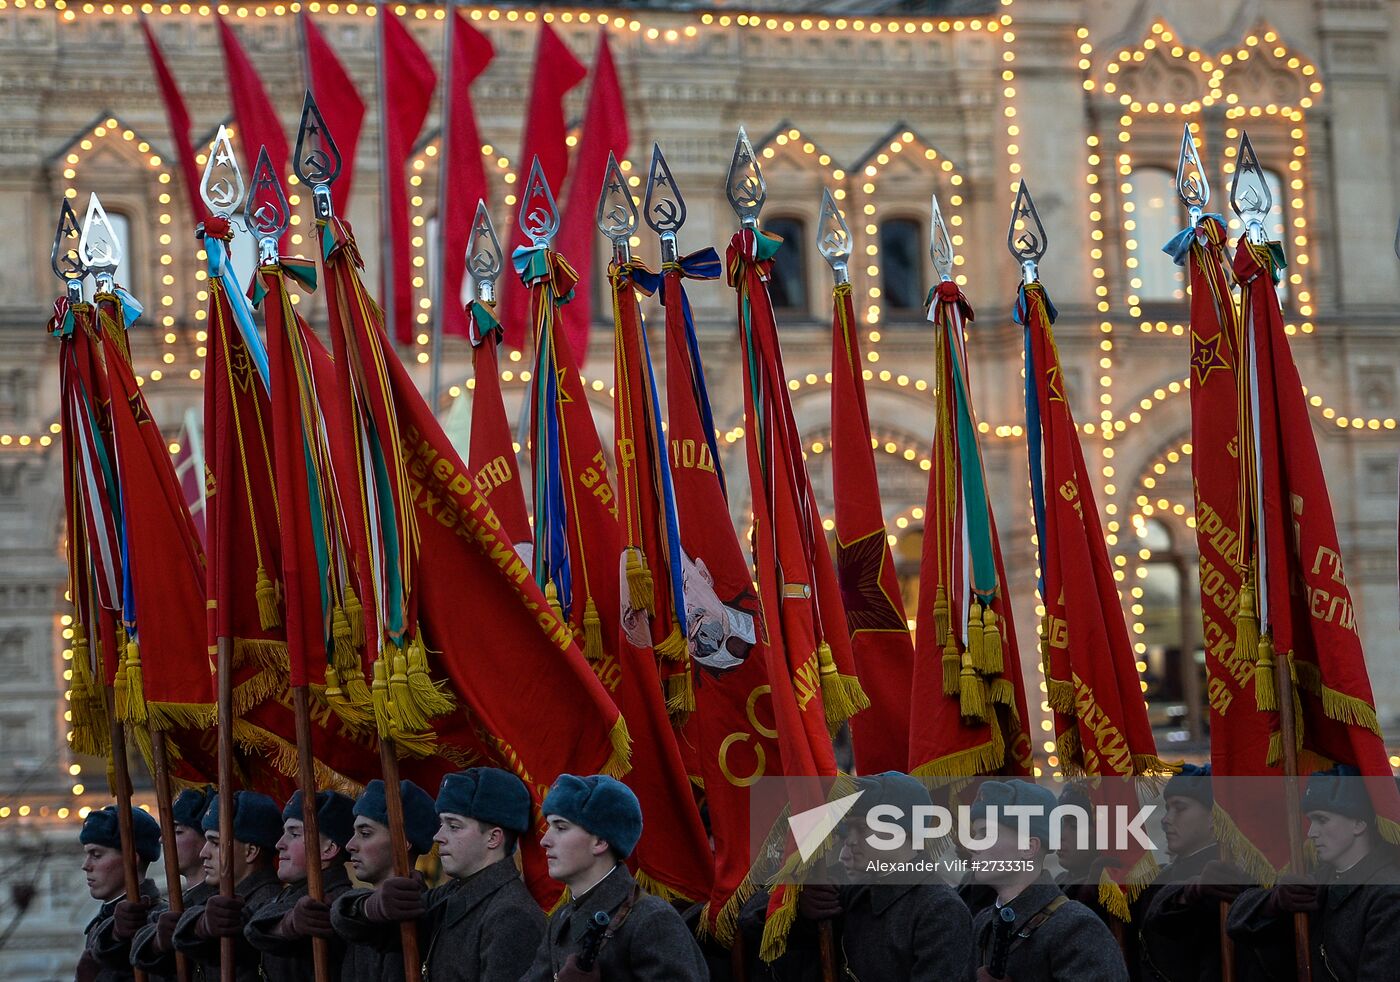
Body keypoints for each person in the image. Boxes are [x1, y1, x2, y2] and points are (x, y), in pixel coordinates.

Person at [333, 767, 543, 982]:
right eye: (442, 824)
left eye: (453, 826)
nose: (438, 836)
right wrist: (372, 906)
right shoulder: (447, 898)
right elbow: (355, 928)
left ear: (493, 838)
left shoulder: (511, 916)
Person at [522, 773, 709, 981]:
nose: (545, 840)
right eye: (548, 826)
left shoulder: (651, 919)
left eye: (561, 827)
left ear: (600, 841)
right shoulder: (562, 918)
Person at [793, 771, 975, 981]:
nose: (850, 840)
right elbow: (755, 928)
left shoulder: (940, 910)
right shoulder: (855, 894)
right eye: (847, 829)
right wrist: (800, 910)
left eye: (860, 828)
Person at [1228, 765, 1400, 982]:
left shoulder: (1389, 894)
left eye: (1322, 820)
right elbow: (1236, 923)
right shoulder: (1319, 878)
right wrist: (1274, 902)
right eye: (1311, 821)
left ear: (1359, 823)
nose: (1311, 833)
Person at [969, 779, 1129, 982]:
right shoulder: (982, 925)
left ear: (1028, 847)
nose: (972, 845)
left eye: (986, 833)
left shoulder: (1077, 929)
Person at [1133, 763, 1249, 982]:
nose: (1166, 819)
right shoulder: (1163, 876)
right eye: (1167, 808)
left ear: (1216, 818)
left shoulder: (1236, 875)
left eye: (1180, 807)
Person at [326, 778, 442, 981]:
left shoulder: (427, 912)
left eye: (365, 833)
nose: (350, 845)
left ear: (403, 842)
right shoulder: (358, 914)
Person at [242, 789, 356, 981]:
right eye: (284, 833)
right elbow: (252, 926)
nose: (279, 844)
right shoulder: (288, 895)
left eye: (294, 834)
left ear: (329, 848)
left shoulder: (337, 901)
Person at [173, 790, 284, 982]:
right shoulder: (218, 901)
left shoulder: (269, 904)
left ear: (250, 851)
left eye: (215, 843)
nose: (204, 853)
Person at [122, 786, 219, 978]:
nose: (162, 839)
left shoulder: (221, 907)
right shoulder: (167, 912)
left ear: (207, 839)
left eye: (177, 831)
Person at [75, 803, 163, 982]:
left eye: (96, 855)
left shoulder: (155, 921)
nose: (86, 866)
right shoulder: (101, 921)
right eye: (87, 854)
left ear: (131, 859)